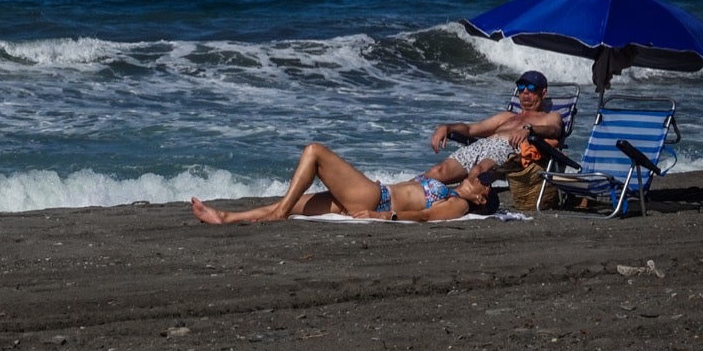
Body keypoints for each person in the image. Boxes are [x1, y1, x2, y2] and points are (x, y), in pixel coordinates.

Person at [190, 141, 496, 225]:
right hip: (370, 197)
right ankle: (226, 217)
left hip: (376, 200)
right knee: (295, 204)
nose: (480, 174)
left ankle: (278, 214)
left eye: (485, 181)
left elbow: (425, 216)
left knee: (315, 151)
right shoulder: (453, 188)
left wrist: (380, 216)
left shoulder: (458, 205)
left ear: (481, 199)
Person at [423, 70, 565, 210]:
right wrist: (447, 127)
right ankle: (404, 195)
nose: (525, 92)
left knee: (477, 172)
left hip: (508, 150)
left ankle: (436, 206)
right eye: (521, 88)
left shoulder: (549, 117)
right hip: (480, 146)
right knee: (436, 172)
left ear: (543, 93)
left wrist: (529, 129)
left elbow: (554, 130)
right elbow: (471, 129)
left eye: (532, 88)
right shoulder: (506, 117)